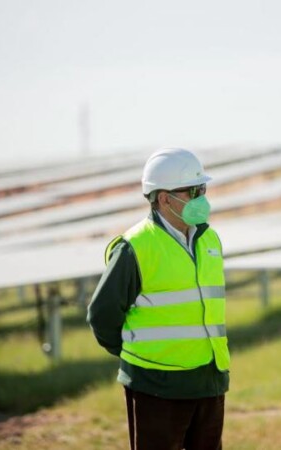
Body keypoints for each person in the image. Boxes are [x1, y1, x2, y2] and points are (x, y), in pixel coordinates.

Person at [87, 147, 230, 450]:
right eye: (194, 191)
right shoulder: (135, 247)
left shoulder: (209, 239)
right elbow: (102, 314)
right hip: (156, 386)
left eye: (203, 189)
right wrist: (134, 352)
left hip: (209, 382)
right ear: (164, 199)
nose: (202, 198)